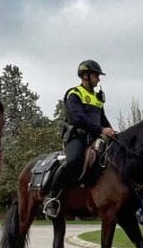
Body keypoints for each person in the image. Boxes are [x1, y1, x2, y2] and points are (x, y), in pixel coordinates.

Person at [43, 59, 116, 218]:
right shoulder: (74, 94)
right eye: (96, 75)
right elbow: (78, 118)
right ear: (85, 75)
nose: (98, 79)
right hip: (77, 137)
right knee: (73, 160)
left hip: (95, 138)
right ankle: (52, 197)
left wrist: (113, 132)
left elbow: (102, 119)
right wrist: (101, 129)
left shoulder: (97, 98)